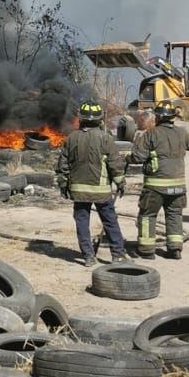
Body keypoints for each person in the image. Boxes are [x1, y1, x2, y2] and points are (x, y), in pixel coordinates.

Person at [126, 100, 189, 259]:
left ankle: (146, 250)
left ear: (157, 117)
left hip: (155, 187)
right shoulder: (182, 133)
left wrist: (128, 157)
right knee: (174, 215)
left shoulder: (150, 134)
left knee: (147, 216)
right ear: (173, 118)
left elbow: (138, 156)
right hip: (178, 186)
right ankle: (175, 249)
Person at [56, 101, 126, 268]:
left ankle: (88, 256)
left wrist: (63, 185)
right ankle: (118, 256)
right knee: (110, 221)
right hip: (101, 191)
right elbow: (115, 164)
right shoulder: (105, 138)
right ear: (100, 120)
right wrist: (120, 182)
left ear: (81, 119)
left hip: (78, 190)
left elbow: (62, 165)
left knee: (82, 222)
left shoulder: (72, 138)